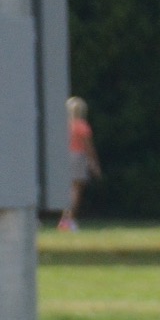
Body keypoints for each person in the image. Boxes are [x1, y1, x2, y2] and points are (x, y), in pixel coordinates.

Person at [58, 96, 100, 233]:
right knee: (76, 190)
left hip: (64, 157)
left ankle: (64, 219)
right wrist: (94, 163)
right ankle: (68, 220)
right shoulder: (82, 126)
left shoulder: (64, 126)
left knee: (67, 189)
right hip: (77, 157)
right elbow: (88, 147)